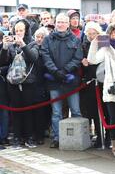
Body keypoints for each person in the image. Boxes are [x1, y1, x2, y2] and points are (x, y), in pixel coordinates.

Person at [88, 23, 115, 158]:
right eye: (112, 33)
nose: (114, 35)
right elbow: (92, 60)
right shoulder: (105, 49)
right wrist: (95, 43)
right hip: (110, 89)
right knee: (114, 119)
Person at [41, 13, 83, 148]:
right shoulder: (48, 39)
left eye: (63, 22)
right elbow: (45, 56)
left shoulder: (75, 39)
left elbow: (78, 58)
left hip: (70, 80)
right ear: (55, 23)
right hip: (54, 81)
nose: (60, 24)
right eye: (58, 22)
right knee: (56, 112)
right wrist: (55, 71)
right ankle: (56, 138)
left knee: (75, 110)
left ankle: (78, 137)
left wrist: (65, 71)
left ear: (68, 23)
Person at [0, 19, 39, 148]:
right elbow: (4, 62)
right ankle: (17, 137)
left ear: (26, 30)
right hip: (13, 83)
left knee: (28, 111)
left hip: (28, 82)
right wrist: (5, 48)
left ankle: (29, 136)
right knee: (15, 111)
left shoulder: (33, 43)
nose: (19, 32)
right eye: (17, 30)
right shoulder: (11, 45)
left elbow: (33, 58)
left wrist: (23, 45)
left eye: (21, 30)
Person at [81, 21, 105, 149]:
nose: (91, 36)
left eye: (94, 33)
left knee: (105, 111)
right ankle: (96, 136)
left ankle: (106, 138)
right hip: (90, 81)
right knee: (93, 111)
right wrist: (83, 63)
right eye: (89, 34)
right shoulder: (84, 45)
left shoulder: (103, 43)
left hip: (103, 80)